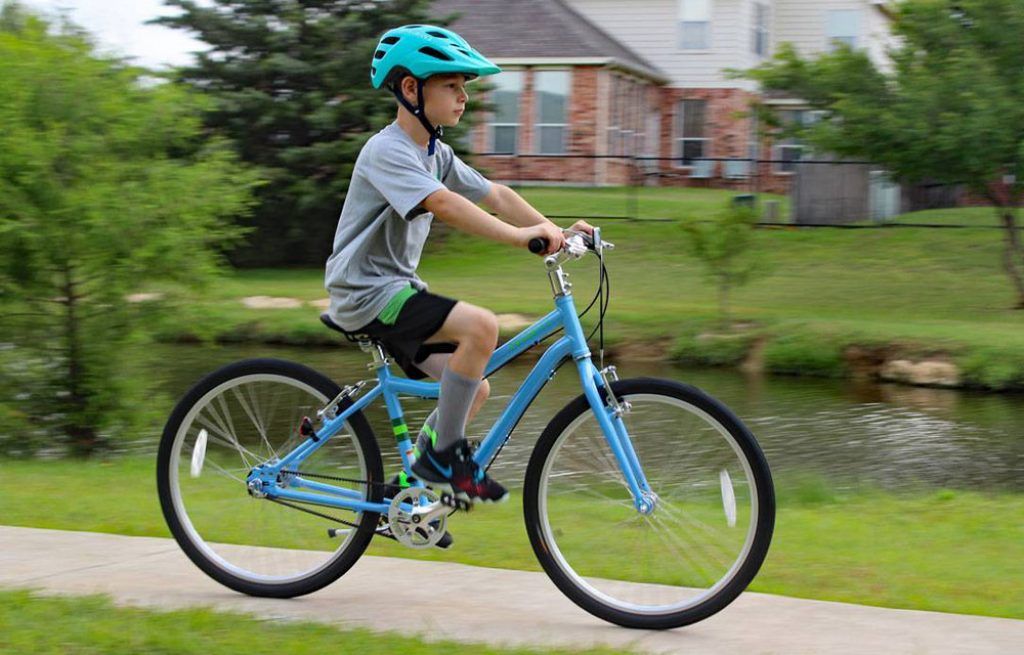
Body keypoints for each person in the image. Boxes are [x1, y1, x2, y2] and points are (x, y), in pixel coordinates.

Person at [324, 24, 593, 505]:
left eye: (464, 86)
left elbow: (498, 195)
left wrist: (558, 232)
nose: (464, 96)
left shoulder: (435, 153)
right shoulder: (387, 151)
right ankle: (445, 456)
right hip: (366, 293)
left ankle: (406, 495)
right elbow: (443, 205)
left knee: (475, 389)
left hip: (397, 290)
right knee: (481, 327)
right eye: (451, 85)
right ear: (411, 89)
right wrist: (518, 238)